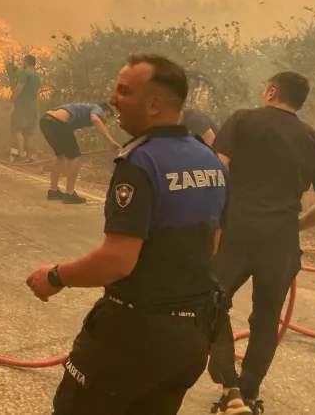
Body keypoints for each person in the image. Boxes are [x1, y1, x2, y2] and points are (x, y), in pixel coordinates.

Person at [26, 54, 228, 415]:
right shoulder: (209, 159)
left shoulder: (140, 162)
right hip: (190, 339)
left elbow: (118, 260)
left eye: (123, 90)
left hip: (133, 335)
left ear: (154, 105)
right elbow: (213, 244)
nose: (113, 99)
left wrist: (55, 276)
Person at [207, 71, 315, 415]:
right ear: (300, 102)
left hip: (234, 232)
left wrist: (210, 222)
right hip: (280, 242)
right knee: (266, 320)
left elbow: (217, 172)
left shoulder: (242, 120)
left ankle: (230, 388)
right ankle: (250, 396)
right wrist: (294, 226)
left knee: (211, 303)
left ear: (270, 92)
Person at [39, 102, 121, 204]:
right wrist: (111, 142)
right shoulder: (96, 108)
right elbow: (95, 119)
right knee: (75, 157)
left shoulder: (82, 112)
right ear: (103, 110)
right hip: (58, 122)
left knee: (60, 155)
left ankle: (53, 191)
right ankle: (69, 194)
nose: (106, 120)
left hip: (46, 121)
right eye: (107, 116)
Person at [9, 54, 41, 162]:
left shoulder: (25, 73)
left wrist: (12, 98)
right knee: (28, 132)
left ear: (26, 62)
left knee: (17, 130)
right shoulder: (36, 76)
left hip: (23, 106)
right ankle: (29, 156)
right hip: (33, 107)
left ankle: (21, 155)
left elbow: (19, 87)